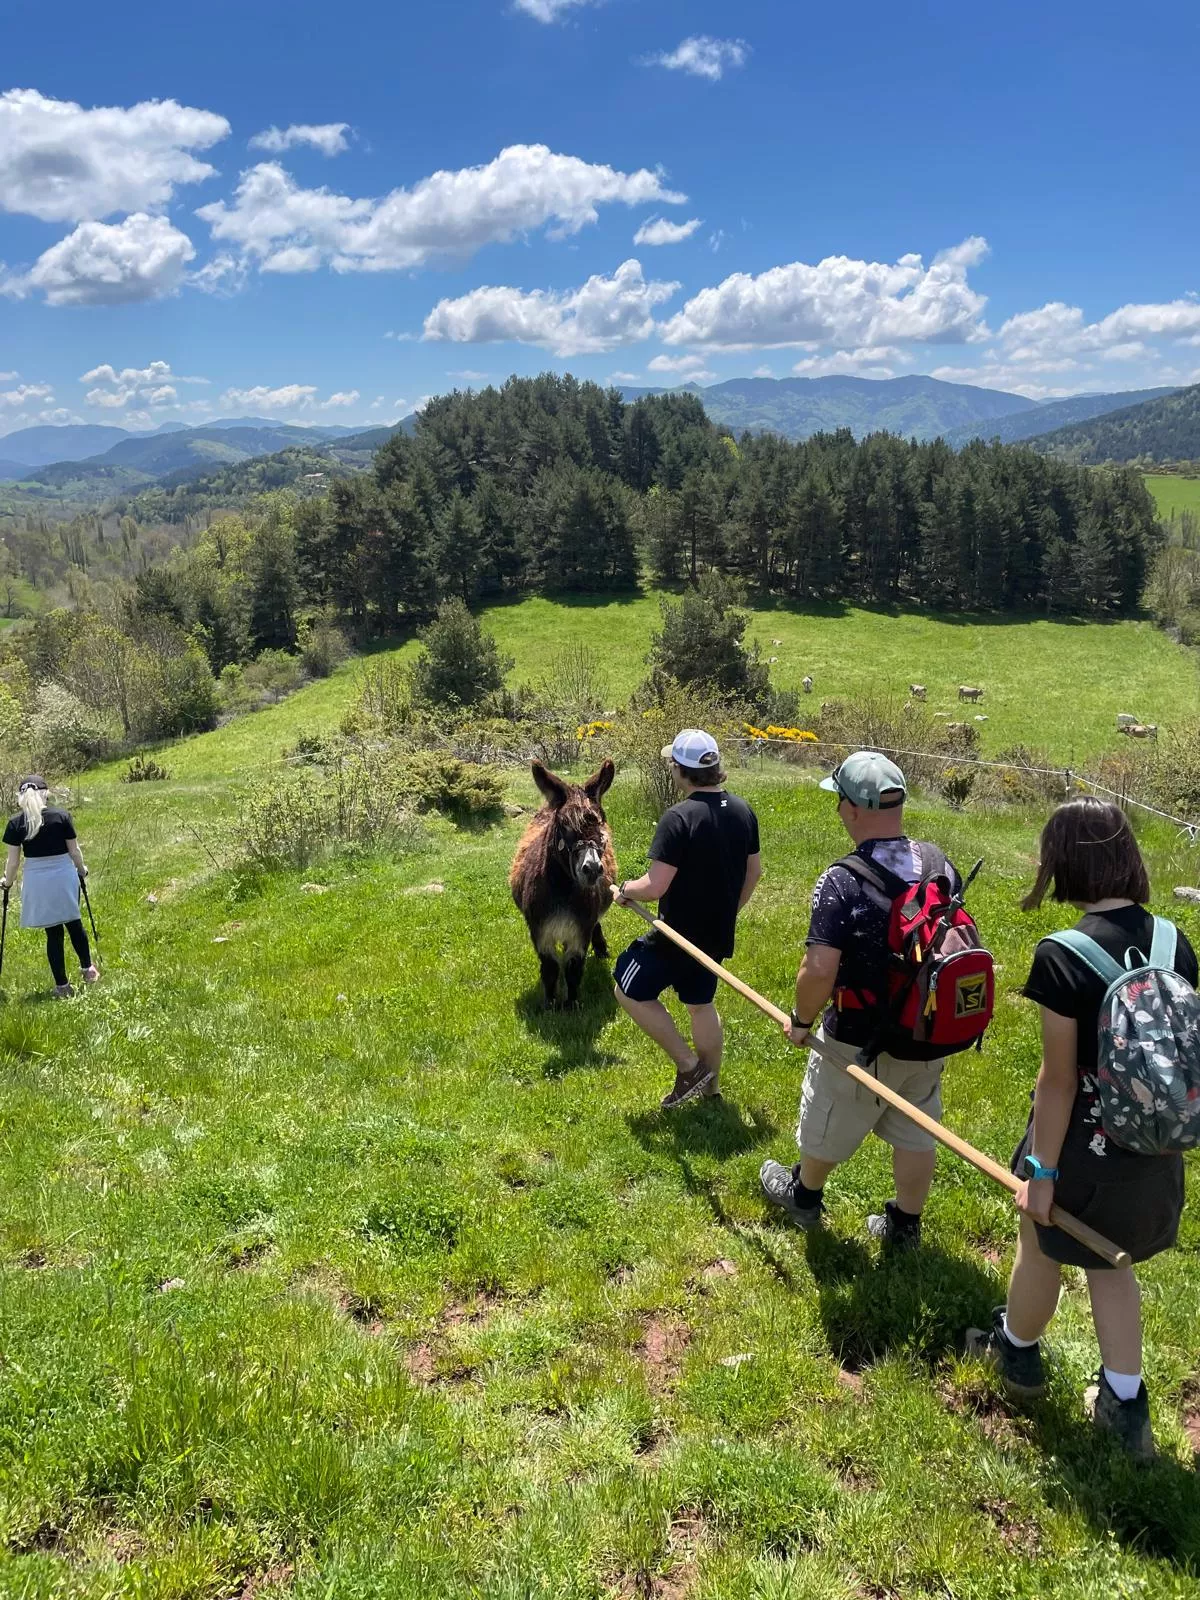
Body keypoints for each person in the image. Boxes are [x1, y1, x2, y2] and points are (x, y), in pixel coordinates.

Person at [967, 797, 1194, 1459]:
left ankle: (1018, 1354)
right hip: (1153, 1142)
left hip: (1083, 1145)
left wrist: (1041, 1173)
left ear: (1062, 862)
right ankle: (1125, 1403)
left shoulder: (1063, 954)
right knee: (1112, 1260)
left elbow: (1059, 1079)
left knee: (1041, 1247)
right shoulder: (1172, 940)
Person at [760, 750, 963, 1246]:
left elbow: (819, 968)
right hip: (926, 1032)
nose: (838, 812)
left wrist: (801, 1020)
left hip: (858, 1040)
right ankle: (904, 1226)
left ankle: (804, 1197)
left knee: (828, 1116)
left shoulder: (843, 880)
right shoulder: (940, 865)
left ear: (853, 809)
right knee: (917, 1128)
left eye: (840, 803)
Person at [612, 728, 761, 1108]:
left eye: (672, 765)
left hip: (675, 937)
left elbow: (657, 885)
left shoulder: (678, 818)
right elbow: (754, 872)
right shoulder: (743, 811)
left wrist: (626, 890)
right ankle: (710, 1090)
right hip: (715, 935)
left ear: (680, 770)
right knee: (699, 1004)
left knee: (627, 988)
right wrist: (730, 912)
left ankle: (690, 1067)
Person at [1, 775, 99, 998]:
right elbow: (74, 851)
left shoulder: (16, 823)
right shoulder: (61, 815)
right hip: (64, 874)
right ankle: (88, 970)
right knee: (74, 923)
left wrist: (7, 883)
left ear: (21, 796)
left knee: (53, 932)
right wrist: (82, 870)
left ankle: (62, 986)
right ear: (45, 792)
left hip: (38, 879)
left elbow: (13, 862)